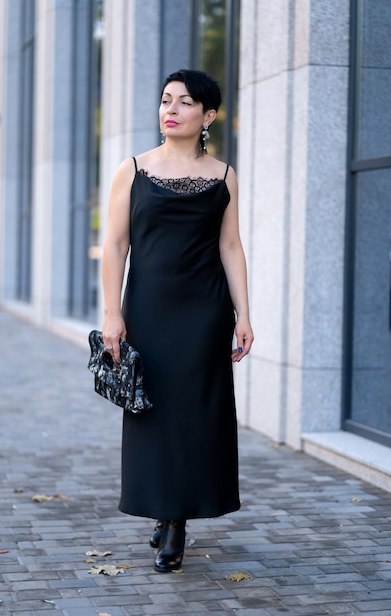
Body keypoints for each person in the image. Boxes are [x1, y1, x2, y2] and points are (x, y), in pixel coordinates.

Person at [101, 69, 254, 573]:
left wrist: (244, 314)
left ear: (208, 116)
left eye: (186, 103)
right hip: (148, 310)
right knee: (153, 414)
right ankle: (165, 509)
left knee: (195, 417)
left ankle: (176, 523)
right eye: (166, 100)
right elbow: (116, 246)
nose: (172, 109)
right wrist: (112, 314)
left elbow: (230, 247)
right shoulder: (133, 170)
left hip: (205, 312)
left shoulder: (224, 175)